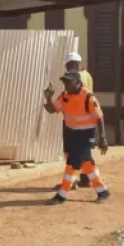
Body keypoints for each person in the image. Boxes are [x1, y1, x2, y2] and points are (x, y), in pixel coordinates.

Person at [44, 71, 109, 204]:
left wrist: (102, 137)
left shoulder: (88, 97)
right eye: (65, 82)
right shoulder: (64, 96)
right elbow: (52, 110)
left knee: (72, 162)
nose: (66, 85)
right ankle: (102, 191)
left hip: (86, 134)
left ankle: (62, 194)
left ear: (78, 83)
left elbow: (99, 117)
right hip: (72, 133)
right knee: (85, 162)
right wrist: (48, 98)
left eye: (69, 82)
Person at [62, 52, 95, 189]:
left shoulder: (75, 78)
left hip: (74, 122)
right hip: (87, 121)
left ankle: (72, 182)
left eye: (69, 65)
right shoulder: (87, 75)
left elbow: (72, 97)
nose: (67, 68)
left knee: (71, 152)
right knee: (85, 152)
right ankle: (85, 179)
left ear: (75, 64)